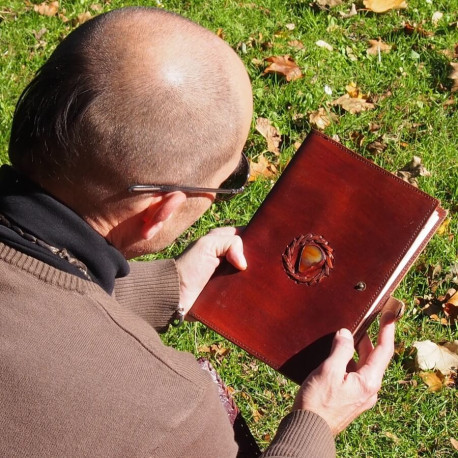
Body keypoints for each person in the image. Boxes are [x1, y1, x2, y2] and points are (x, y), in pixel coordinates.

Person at [0, 6, 395, 457]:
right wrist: (318, 422)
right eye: (228, 179)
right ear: (160, 210)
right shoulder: (170, 411)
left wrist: (168, 286)